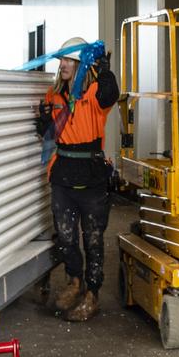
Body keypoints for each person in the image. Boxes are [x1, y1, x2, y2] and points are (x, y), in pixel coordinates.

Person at [35, 36, 117, 322]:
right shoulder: (54, 97)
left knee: (93, 239)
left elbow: (111, 94)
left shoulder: (94, 94)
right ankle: (74, 282)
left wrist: (105, 69)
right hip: (63, 176)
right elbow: (50, 134)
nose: (63, 65)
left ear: (82, 64)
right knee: (67, 238)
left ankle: (92, 294)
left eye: (70, 60)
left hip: (92, 176)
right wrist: (44, 127)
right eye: (62, 60)